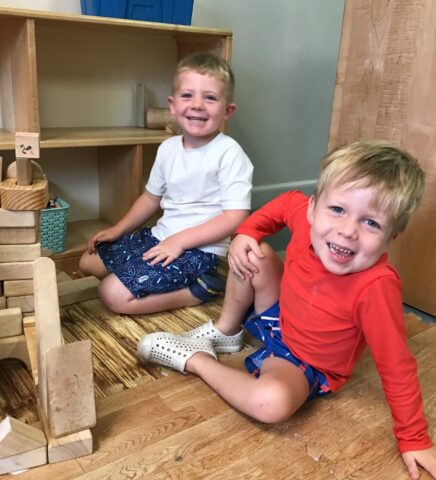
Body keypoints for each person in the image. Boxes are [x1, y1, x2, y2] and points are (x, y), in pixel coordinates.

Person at [137, 140, 436, 479]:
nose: (347, 231)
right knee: (255, 250)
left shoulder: (377, 286)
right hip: (280, 317)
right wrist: (245, 233)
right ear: (313, 208)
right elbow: (282, 204)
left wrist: (414, 439)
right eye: (337, 210)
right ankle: (226, 332)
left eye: (371, 223)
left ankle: (196, 360)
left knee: (271, 403)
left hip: (304, 362)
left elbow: (397, 365)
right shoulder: (303, 215)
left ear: (391, 238)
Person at [79, 53, 253, 315]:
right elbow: (150, 198)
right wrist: (117, 229)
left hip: (199, 251)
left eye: (210, 97)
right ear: (172, 105)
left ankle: (200, 289)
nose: (197, 105)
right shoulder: (167, 148)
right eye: (187, 96)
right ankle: (138, 277)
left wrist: (180, 241)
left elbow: (235, 216)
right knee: (88, 262)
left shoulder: (229, 153)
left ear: (228, 110)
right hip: (160, 236)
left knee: (111, 294)